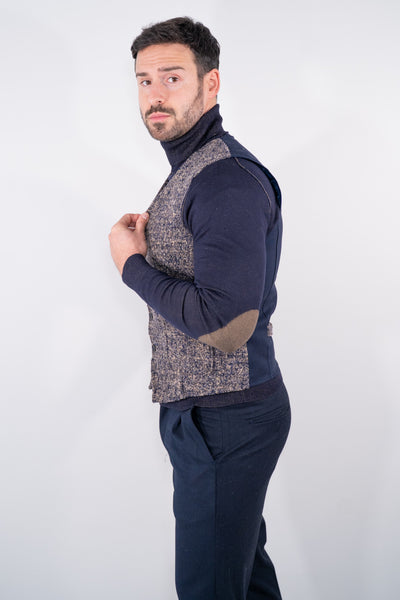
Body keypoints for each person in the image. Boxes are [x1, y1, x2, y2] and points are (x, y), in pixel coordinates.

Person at [109, 16, 291, 600]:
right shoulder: (197, 168)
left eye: (172, 77)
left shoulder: (224, 181)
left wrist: (131, 265)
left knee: (209, 586)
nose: (155, 96)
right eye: (144, 81)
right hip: (213, 413)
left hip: (226, 419)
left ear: (211, 84)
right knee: (239, 576)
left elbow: (226, 326)